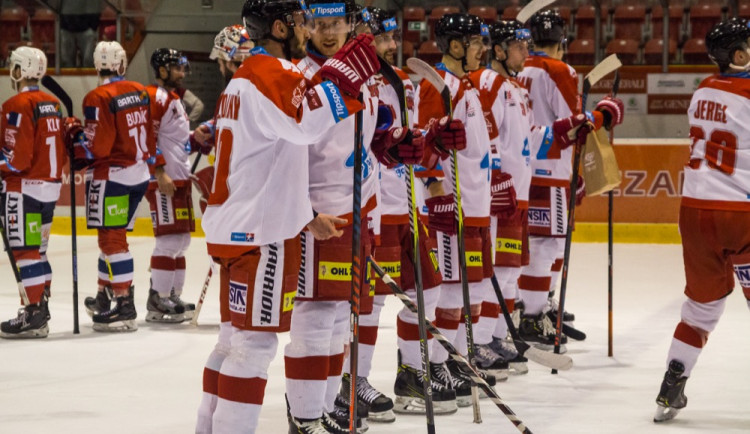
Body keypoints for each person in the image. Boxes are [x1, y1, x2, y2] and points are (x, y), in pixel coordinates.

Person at [194, 0, 378, 433]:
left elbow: (274, 154)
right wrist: (346, 78)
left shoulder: (243, 78)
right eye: (299, 22)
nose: (305, 28)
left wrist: (306, 212)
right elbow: (307, 126)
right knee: (254, 346)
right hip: (262, 234)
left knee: (232, 340)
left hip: (235, 226)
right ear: (279, 27)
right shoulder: (272, 72)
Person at [338, 7, 458, 420]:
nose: (392, 46)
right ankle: (354, 381)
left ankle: (410, 372)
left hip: (409, 207)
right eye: (383, 38)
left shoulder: (402, 83)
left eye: (393, 38)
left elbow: (410, 144)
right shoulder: (351, 85)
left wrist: (436, 144)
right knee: (368, 305)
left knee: (429, 290)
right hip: (376, 208)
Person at [287, 1, 392, 431]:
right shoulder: (301, 77)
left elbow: (360, 146)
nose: (329, 33)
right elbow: (288, 154)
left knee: (336, 320)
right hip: (320, 217)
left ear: (351, 25)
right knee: (315, 317)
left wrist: (392, 142)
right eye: (319, 24)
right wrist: (305, 212)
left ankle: (325, 407)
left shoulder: (363, 78)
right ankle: (306, 416)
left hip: (357, 215)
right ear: (306, 28)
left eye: (337, 24)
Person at [654, 18, 750, 423]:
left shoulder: (703, 91)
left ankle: (670, 387)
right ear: (740, 55)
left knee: (700, 308)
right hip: (741, 214)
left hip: (694, 210)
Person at [515, 10, 623, 349]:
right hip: (550, 167)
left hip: (526, 165)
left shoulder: (521, 68)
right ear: (563, 40)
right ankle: (533, 316)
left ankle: (539, 307)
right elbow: (574, 122)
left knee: (547, 241)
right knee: (548, 242)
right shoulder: (558, 69)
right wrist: (605, 113)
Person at [413, 13, 495, 406]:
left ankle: (460, 358)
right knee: (448, 292)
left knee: (471, 288)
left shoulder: (467, 86)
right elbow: (422, 146)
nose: (483, 49)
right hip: (452, 209)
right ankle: (437, 364)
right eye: (476, 42)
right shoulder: (438, 87)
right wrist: (436, 190)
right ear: (457, 46)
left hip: (476, 205)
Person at [194, 23, 256, 432]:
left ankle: (207, 424)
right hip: (251, 233)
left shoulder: (229, 100)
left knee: (230, 338)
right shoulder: (254, 93)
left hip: (226, 229)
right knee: (249, 344)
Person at [78, 41, 159, 332]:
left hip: (112, 177)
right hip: (138, 176)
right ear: (122, 64)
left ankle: (124, 303)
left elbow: (98, 147)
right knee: (115, 237)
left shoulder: (97, 96)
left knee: (111, 241)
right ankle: (104, 295)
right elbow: (149, 135)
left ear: (97, 65)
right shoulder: (139, 90)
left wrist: (77, 142)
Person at [0, 47, 66, 338]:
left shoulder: (16, 104)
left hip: (24, 189)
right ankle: (41, 307)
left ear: (19, 70)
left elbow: (18, 158)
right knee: (38, 251)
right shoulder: (53, 103)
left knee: (25, 251)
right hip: (49, 189)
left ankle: (34, 313)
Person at [143, 48, 196, 323]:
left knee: (182, 241)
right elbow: (147, 136)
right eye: (176, 68)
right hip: (165, 180)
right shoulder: (156, 96)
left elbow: (179, 140)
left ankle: (172, 294)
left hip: (180, 180)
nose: (181, 72)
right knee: (168, 240)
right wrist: (159, 171)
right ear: (162, 70)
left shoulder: (175, 98)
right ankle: (158, 299)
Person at [60, 0, 102, 67]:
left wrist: (93, 27)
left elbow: (97, 5)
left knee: (88, 60)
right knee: (66, 62)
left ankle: (89, 77)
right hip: (66, 27)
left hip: (87, 28)